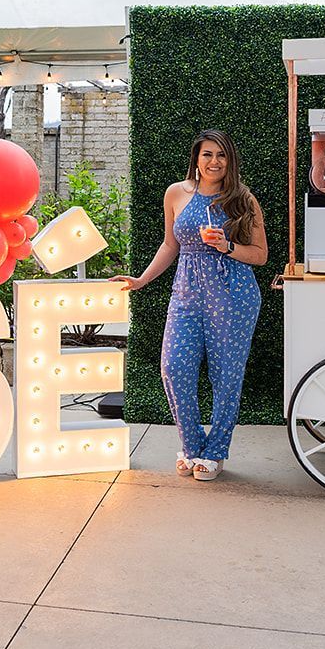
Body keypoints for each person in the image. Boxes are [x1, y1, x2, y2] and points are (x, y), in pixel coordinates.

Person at [113, 129, 266, 481]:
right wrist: (141, 280)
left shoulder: (242, 199)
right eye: (207, 154)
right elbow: (170, 245)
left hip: (233, 294)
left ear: (230, 161)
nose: (214, 162)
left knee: (226, 376)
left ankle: (215, 453)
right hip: (187, 293)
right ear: (196, 158)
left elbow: (260, 255)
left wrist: (226, 246)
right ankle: (193, 446)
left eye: (221, 155)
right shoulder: (176, 194)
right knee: (173, 367)